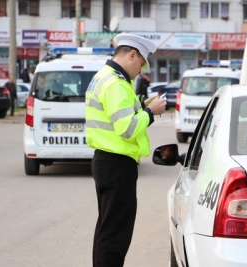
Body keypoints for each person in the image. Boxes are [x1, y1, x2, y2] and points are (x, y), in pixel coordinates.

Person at [85, 33, 166, 267]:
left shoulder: (105, 77)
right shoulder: (116, 84)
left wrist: (142, 105)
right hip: (117, 163)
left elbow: (120, 114)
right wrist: (151, 113)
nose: (141, 70)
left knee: (107, 228)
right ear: (132, 54)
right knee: (115, 234)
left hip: (107, 161)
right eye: (141, 63)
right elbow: (127, 128)